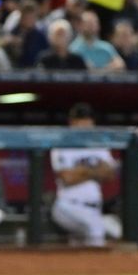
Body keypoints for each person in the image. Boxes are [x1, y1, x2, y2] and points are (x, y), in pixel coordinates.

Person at [50, 103, 117, 247]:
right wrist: (95, 171)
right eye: (80, 120)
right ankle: (98, 268)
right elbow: (68, 178)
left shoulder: (98, 144)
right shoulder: (61, 144)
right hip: (68, 205)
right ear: (72, 122)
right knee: (96, 229)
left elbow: (110, 174)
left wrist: (83, 170)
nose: (85, 123)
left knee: (78, 250)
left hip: (95, 208)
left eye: (88, 119)